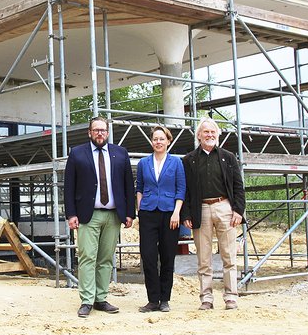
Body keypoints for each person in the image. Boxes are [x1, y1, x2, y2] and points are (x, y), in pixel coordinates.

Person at [64, 117, 135, 318]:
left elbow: (128, 185)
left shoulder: (120, 153)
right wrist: (71, 214)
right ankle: (86, 300)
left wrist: (130, 213)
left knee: (105, 259)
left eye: (103, 130)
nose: (100, 133)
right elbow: (69, 187)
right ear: (89, 133)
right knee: (87, 257)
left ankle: (101, 298)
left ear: (108, 132)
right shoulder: (77, 153)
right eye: (96, 130)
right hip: (88, 215)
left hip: (113, 215)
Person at [181, 117, 245, 310]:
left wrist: (238, 210)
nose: (209, 135)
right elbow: (185, 190)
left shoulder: (228, 157)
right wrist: (186, 215)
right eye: (205, 132)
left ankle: (231, 296)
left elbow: (238, 185)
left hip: (224, 207)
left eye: (212, 132)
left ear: (217, 135)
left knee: (229, 255)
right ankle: (206, 298)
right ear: (199, 135)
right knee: (203, 257)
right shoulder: (189, 160)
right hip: (201, 209)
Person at [135, 125, 186, 313]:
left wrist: (176, 212)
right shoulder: (143, 163)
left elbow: (181, 189)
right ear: (151, 141)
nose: (158, 142)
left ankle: (164, 299)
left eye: (161, 139)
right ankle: (152, 300)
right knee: (148, 257)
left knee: (167, 257)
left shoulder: (176, 163)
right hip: (148, 212)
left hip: (169, 214)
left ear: (168, 141)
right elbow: (139, 187)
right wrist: (140, 207)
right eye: (155, 139)